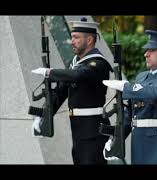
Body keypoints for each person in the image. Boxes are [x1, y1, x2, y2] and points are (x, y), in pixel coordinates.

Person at [31, 17, 113, 164]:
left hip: (94, 133)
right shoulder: (75, 63)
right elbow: (60, 92)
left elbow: (79, 75)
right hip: (78, 132)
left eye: (76, 37)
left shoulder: (98, 64)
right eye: (72, 37)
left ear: (89, 40)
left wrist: (50, 73)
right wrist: (44, 115)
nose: (72, 41)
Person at [102, 30, 157, 164]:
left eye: (152, 50)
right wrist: (116, 139)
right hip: (139, 142)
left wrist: (127, 87)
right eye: (146, 50)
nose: (146, 54)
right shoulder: (142, 77)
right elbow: (130, 113)